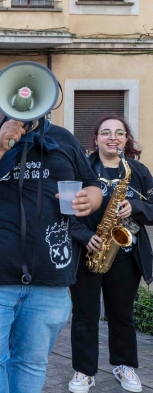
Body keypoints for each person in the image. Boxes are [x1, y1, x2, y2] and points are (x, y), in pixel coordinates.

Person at [0, 103, 103, 393]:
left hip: (48, 282)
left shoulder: (63, 138)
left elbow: (92, 185)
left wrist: (90, 199)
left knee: (32, 364)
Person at [68, 114, 153, 393]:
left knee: (122, 315)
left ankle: (123, 365)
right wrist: (83, 235)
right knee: (85, 315)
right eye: (105, 133)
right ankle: (84, 371)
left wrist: (136, 208)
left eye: (119, 133)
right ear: (95, 139)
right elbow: (66, 212)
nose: (112, 138)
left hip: (126, 255)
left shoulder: (138, 171)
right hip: (89, 251)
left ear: (126, 139)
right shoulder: (80, 169)